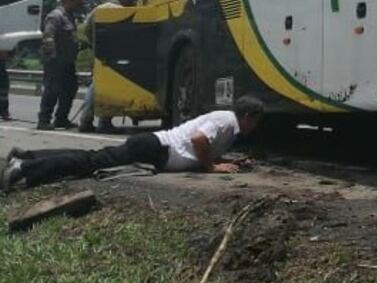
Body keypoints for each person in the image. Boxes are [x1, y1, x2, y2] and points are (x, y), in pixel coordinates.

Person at [2, 95, 263, 192]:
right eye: (256, 121)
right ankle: (22, 170)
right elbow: (198, 140)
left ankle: (29, 157)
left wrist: (223, 161)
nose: (256, 127)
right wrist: (211, 168)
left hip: (155, 148)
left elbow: (202, 145)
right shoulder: (226, 120)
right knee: (88, 163)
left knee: (90, 157)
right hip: (155, 149)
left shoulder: (228, 124)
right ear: (248, 116)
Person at [78, 0, 141, 133]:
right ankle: (104, 121)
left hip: (100, 53)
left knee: (96, 86)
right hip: (118, 55)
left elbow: (87, 29)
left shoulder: (100, 8)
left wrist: (95, 44)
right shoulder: (126, 11)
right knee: (112, 86)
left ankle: (86, 120)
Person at [37, 0, 85, 130]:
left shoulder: (70, 16)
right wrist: (51, 58)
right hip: (56, 60)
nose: (79, 6)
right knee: (52, 90)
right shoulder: (56, 16)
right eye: (77, 3)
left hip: (68, 61)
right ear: (69, 0)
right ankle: (44, 120)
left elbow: (70, 38)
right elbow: (48, 36)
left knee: (70, 88)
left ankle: (61, 119)